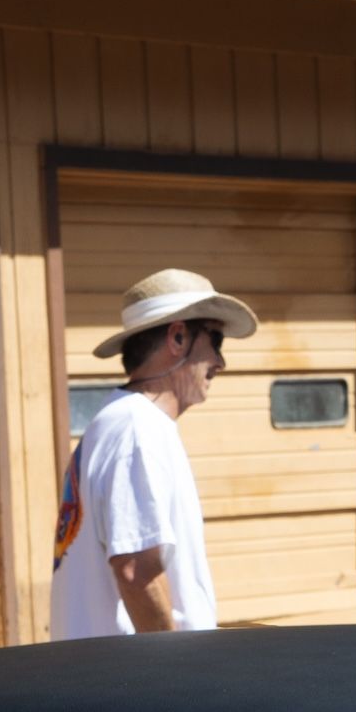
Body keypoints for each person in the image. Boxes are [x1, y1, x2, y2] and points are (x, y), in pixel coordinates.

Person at [51, 269, 251, 639]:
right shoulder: (137, 429)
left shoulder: (122, 421)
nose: (221, 362)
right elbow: (135, 570)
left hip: (110, 682)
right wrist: (175, 676)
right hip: (132, 688)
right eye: (216, 339)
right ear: (178, 336)